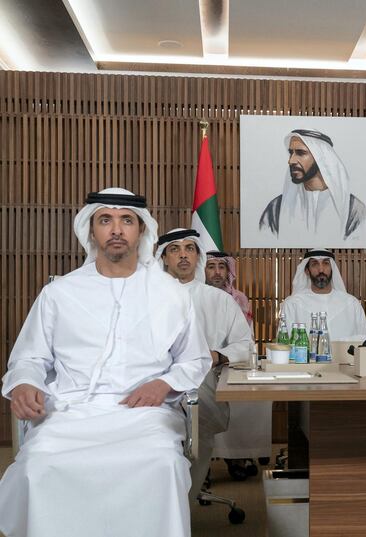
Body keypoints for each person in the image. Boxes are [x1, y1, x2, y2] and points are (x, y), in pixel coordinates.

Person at [0, 188, 211, 537]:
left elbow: (194, 359)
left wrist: (164, 384)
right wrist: (24, 382)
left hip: (145, 415)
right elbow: (30, 357)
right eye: (105, 220)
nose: (116, 229)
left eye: (126, 220)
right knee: (37, 465)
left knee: (161, 464)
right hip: (69, 412)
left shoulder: (170, 293)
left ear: (141, 230)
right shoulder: (60, 293)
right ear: (91, 230)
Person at [155, 228, 253, 501]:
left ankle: (183, 514)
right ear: (163, 258)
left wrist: (218, 355)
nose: (183, 255)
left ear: (197, 256)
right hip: (155, 394)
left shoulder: (219, 300)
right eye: (175, 249)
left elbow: (246, 345)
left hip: (202, 391)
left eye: (190, 248)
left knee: (194, 458)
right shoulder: (147, 298)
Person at [205, 251, 271, 480]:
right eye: (210, 266)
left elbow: (246, 337)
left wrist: (227, 355)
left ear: (228, 271)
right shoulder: (192, 296)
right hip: (198, 366)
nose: (216, 272)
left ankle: (237, 456)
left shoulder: (239, 299)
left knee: (250, 399)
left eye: (221, 267)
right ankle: (204, 462)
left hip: (231, 362)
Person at [259, 129, 366, 243]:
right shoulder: (275, 208)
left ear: (321, 158)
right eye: (291, 153)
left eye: (301, 153)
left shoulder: (354, 209)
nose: (291, 161)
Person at [279, 249, 366, 340]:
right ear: (307, 271)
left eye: (326, 263)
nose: (321, 270)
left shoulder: (351, 304)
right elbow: (283, 347)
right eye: (315, 264)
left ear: (332, 269)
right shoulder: (292, 304)